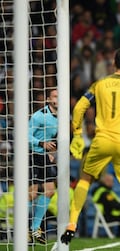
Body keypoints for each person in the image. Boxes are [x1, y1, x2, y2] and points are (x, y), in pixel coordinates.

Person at [60, 47, 120, 251]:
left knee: (85, 179)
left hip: (102, 140)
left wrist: (77, 134)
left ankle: (72, 223)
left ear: (113, 63)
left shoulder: (100, 84)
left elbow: (78, 108)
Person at [28, 88, 58, 244]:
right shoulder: (39, 116)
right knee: (32, 193)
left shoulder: (62, 117)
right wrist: (41, 143)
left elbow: (54, 137)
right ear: (48, 99)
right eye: (55, 96)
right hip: (30, 153)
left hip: (43, 155)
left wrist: (50, 150)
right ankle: (25, 228)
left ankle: (34, 228)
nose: (58, 99)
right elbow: (25, 134)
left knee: (50, 191)